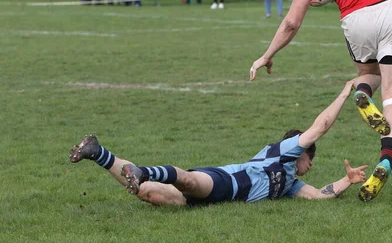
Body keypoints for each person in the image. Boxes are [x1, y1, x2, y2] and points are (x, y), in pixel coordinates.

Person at [250, 0, 392, 202]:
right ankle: (386, 159)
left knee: (368, 74)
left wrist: (267, 54)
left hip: (357, 17)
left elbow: (291, 22)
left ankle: (361, 90)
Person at [69, 81, 370, 206]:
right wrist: (344, 93)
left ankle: (98, 152)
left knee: (146, 193)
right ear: (300, 150)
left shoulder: (290, 184)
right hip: (226, 182)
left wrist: (347, 179)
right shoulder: (284, 152)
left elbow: (320, 195)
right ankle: (144, 170)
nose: (312, 165)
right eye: (310, 157)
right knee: (186, 179)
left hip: (213, 201)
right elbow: (319, 128)